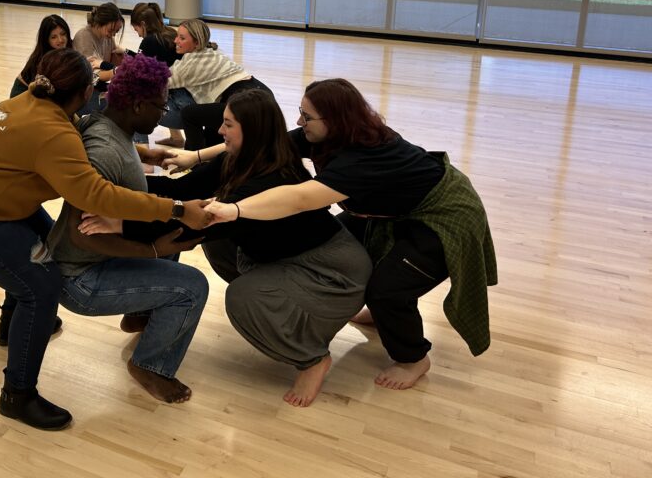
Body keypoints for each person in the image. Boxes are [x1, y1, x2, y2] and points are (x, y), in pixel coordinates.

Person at [0, 48, 209, 431]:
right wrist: (177, 209)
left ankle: (11, 327)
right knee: (40, 285)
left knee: (36, 252)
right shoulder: (51, 130)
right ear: (86, 91)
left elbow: (79, 135)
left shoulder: (32, 104)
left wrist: (140, 150)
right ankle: (18, 396)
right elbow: (95, 195)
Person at [202, 78, 498, 391]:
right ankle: (383, 314)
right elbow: (262, 143)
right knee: (337, 244)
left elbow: (301, 198)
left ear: (334, 119)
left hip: (444, 216)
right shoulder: (326, 134)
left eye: (307, 116)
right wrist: (194, 157)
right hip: (399, 208)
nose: (300, 122)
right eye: (299, 112)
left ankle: (413, 358)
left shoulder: (363, 158)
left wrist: (235, 210)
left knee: (388, 290)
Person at [85, 88, 371, 406]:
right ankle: (279, 304)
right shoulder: (243, 157)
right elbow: (181, 188)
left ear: (253, 129)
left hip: (331, 272)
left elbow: (191, 223)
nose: (220, 131)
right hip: (291, 254)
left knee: (241, 298)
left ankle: (311, 359)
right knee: (220, 247)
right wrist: (115, 182)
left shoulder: (264, 182)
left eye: (228, 124)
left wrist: (120, 222)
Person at [47, 54, 208, 404]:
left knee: (173, 231)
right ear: (136, 105)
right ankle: (151, 365)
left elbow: (115, 148)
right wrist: (154, 251)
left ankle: (140, 313)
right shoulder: (105, 153)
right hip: (80, 278)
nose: (163, 114)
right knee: (194, 287)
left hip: (93, 260)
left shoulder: (103, 124)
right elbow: (78, 233)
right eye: (160, 107)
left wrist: (145, 154)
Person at [169, 19, 269, 150]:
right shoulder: (211, 52)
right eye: (177, 36)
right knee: (210, 140)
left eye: (181, 38)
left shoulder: (192, 63)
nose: (175, 41)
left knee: (189, 114)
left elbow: (163, 82)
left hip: (246, 101)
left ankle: (192, 164)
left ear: (197, 43)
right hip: (260, 93)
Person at [129, 2, 189, 148]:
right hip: (186, 102)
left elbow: (135, 70)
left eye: (136, 28)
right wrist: (126, 52)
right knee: (160, 84)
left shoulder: (149, 41)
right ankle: (176, 138)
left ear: (143, 24)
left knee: (135, 98)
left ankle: (142, 149)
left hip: (175, 112)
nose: (136, 32)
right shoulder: (169, 34)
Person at [73, 2, 125, 114]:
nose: (113, 35)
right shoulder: (84, 37)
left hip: (96, 87)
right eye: (111, 30)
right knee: (120, 104)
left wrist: (123, 57)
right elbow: (96, 76)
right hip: (82, 93)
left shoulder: (107, 37)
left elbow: (113, 60)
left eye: (116, 31)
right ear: (100, 23)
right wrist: (120, 71)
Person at [10, 15, 72, 98]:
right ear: (46, 39)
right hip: (23, 95)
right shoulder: (42, 59)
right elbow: (44, 91)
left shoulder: (66, 49)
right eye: (53, 37)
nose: (60, 40)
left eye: (63, 34)